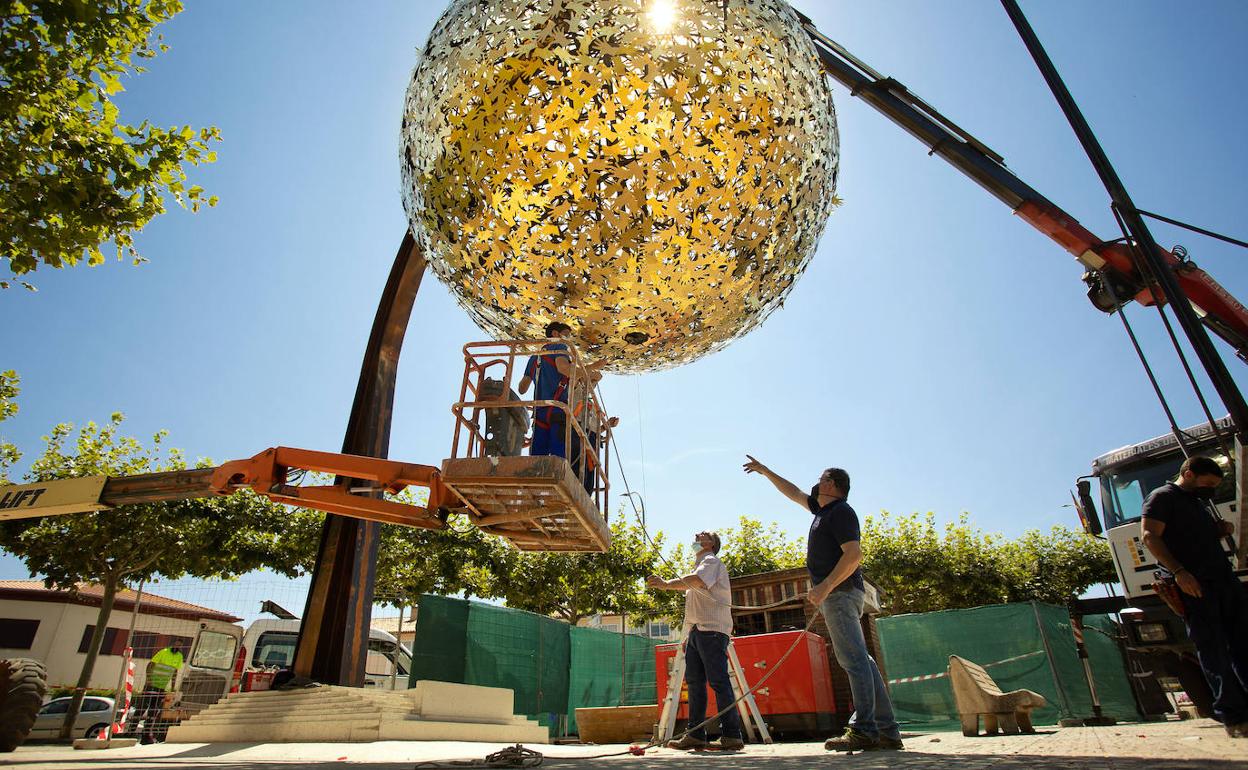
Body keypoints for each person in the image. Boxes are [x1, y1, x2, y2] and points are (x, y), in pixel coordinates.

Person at [743, 456, 902, 752]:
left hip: (840, 594)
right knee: (862, 661)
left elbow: (853, 555)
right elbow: (793, 493)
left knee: (853, 662)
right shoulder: (823, 511)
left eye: (822, 478)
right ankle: (888, 731)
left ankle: (864, 730)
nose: (816, 483)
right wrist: (766, 472)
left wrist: (825, 587)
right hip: (839, 594)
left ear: (832, 484)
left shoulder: (840, 512)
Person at [1141, 455, 1247, 738]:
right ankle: (1234, 717)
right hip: (1195, 585)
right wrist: (1178, 572)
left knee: (1242, 644)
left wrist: (1218, 530)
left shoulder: (1196, 502)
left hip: (1223, 580)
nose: (1210, 489)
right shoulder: (1161, 497)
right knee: (1213, 650)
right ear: (1188, 474)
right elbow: (1150, 536)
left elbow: (1190, 537)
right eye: (1207, 483)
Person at [646, 532, 744, 751]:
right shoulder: (701, 565)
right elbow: (694, 604)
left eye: (704, 534)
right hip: (698, 632)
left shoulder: (711, 561)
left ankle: (732, 735)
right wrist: (688, 634)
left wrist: (665, 584)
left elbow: (697, 581)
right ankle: (696, 735)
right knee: (695, 684)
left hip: (711, 631)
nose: (698, 535)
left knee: (718, 682)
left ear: (710, 544)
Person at [519, 322, 573, 458]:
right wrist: (591, 369)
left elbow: (522, 388)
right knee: (558, 458)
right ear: (555, 334)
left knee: (537, 458)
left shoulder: (535, 357)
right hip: (557, 409)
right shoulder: (561, 347)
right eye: (566, 335)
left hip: (539, 412)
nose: (568, 339)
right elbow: (564, 369)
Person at [135, 641, 185, 743]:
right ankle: (130, 732)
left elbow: (175, 671)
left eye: (180, 645)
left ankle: (146, 736)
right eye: (176, 644)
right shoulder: (164, 651)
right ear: (173, 644)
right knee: (142, 708)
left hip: (161, 687)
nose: (178, 646)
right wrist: (148, 679)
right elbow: (150, 664)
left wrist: (172, 687)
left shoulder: (179, 656)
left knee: (153, 711)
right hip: (151, 685)